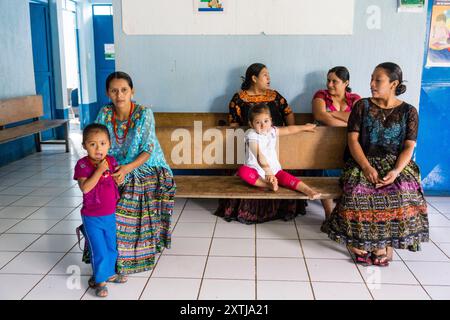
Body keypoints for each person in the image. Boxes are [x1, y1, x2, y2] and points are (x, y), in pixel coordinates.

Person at [325, 62, 429, 267]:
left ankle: (384, 244)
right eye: (371, 78)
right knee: (358, 190)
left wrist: (396, 171)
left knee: (402, 190)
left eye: (377, 80)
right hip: (362, 160)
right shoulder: (362, 106)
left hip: (395, 163)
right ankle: (359, 243)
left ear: (393, 83)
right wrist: (365, 166)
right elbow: (353, 141)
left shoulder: (409, 111)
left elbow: (409, 146)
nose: (371, 83)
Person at [95, 71, 176, 274]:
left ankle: (129, 255)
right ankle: (103, 250)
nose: (119, 95)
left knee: (130, 188)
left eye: (124, 90)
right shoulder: (105, 114)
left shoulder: (143, 113)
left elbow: (148, 149)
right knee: (100, 188)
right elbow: (97, 143)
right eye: (114, 91)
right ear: (108, 93)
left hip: (148, 166)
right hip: (115, 165)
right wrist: (102, 168)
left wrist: (127, 169)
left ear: (132, 91)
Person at [215, 63, 306, 224]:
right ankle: (253, 202)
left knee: (286, 166)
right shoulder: (239, 99)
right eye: (265, 75)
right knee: (245, 169)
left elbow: (288, 113)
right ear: (254, 78)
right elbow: (234, 125)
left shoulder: (275, 96)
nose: (269, 78)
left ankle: (282, 203)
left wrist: (290, 134)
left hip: (276, 141)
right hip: (252, 143)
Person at [73, 123, 127, 297]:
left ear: (109, 144)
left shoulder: (111, 161)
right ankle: (100, 282)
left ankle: (109, 274)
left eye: (103, 143)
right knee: (99, 249)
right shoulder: (82, 165)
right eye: (92, 144)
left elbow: (115, 180)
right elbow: (86, 188)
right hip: (92, 218)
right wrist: (100, 170)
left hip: (109, 214)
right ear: (84, 146)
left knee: (111, 247)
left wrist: (119, 179)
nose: (98, 148)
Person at [311, 66, 361, 228]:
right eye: (328, 80)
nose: (330, 84)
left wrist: (330, 114)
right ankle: (328, 215)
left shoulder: (355, 98)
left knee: (352, 173)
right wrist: (348, 120)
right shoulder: (321, 95)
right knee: (325, 173)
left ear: (346, 82)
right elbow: (320, 116)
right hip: (324, 143)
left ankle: (345, 214)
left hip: (350, 145)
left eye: (335, 81)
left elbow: (360, 120)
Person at [237, 104, 321, 199]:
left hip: (274, 170)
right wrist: (268, 172)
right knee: (243, 171)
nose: (263, 125)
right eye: (258, 122)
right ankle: (267, 185)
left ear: (271, 120)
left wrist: (304, 127)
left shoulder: (272, 131)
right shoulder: (251, 135)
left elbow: (289, 130)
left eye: (266, 121)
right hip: (255, 172)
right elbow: (258, 155)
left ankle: (308, 191)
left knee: (287, 178)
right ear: (251, 124)